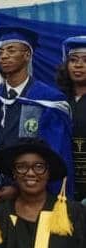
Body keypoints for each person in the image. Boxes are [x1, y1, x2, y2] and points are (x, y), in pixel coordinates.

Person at [0, 26, 73, 199]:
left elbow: (56, 152)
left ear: (27, 55)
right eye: (1, 52)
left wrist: (18, 187)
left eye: (11, 50)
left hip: (36, 196)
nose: (4, 56)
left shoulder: (49, 101)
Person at [57, 36, 86, 201]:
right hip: (64, 184)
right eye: (73, 60)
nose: (78, 65)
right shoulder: (58, 101)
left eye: (85, 60)